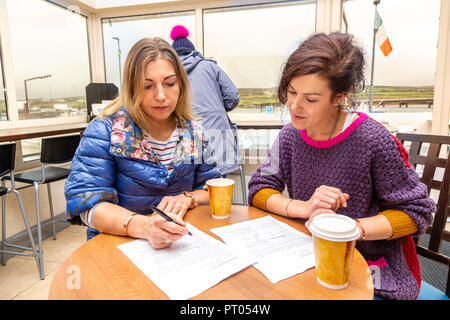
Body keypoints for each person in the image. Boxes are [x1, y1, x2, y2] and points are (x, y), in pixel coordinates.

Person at [247, 32, 436, 300]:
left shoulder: (372, 140)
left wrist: (353, 228)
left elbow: (417, 212)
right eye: (291, 92)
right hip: (309, 257)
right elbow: (259, 189)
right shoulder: (289, 136)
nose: (294, 106)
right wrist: (304, 207)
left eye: (310, 99)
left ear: (339, 97)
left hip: (370, 267)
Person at [65, 37, 220, 248]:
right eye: (147, 86)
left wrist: (187, 198)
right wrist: (144, 227)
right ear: (131, 88)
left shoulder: (192, 132)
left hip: (180, 246)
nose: (161, 95)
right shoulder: (105, 130)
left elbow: (212, 189)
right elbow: (84, 205)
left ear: (181, 85)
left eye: (170, 83)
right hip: (118, 248)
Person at [170, 25, 241, 176]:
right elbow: (233, 96)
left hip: (187, 141)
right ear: (193, 51)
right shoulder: (209, 67)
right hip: (217, 137)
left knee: (193, 191)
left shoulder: (169, 75)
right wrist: (219, 107)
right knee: (219, 190)